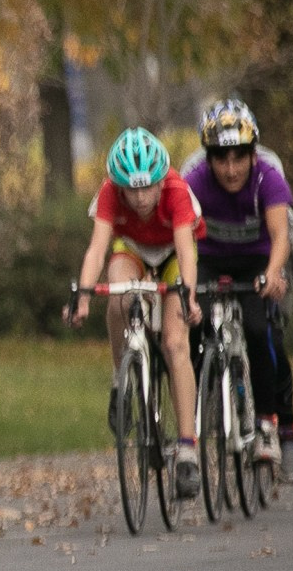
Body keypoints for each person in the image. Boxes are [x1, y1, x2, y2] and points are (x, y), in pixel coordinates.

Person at [72, 126, 205, 499]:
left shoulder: (177, 191)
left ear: (161, 180)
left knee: (176, 344)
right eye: (133, 189)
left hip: (173, 256)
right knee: (118, 295)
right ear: (119, 185)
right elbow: (96, 251)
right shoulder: (109, 194)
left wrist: (189, 298)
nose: (142, 196)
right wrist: (83, 299)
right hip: (131, 249)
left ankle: (187, 450)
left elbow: (186, 252)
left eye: (149, 187)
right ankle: (122, 379)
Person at [181, 97, 293, 482]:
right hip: (211, 262)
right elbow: (179, 235)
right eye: (221, 158)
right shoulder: (194, 181)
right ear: (209, 158)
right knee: (191, 324)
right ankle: (197, 417)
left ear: (252, 154)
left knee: (260, 331)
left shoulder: (268, 176)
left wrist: (271, 273)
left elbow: (281, 235)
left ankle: (273, 425)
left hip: (261, 261)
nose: (230, 169)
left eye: (238, 157)